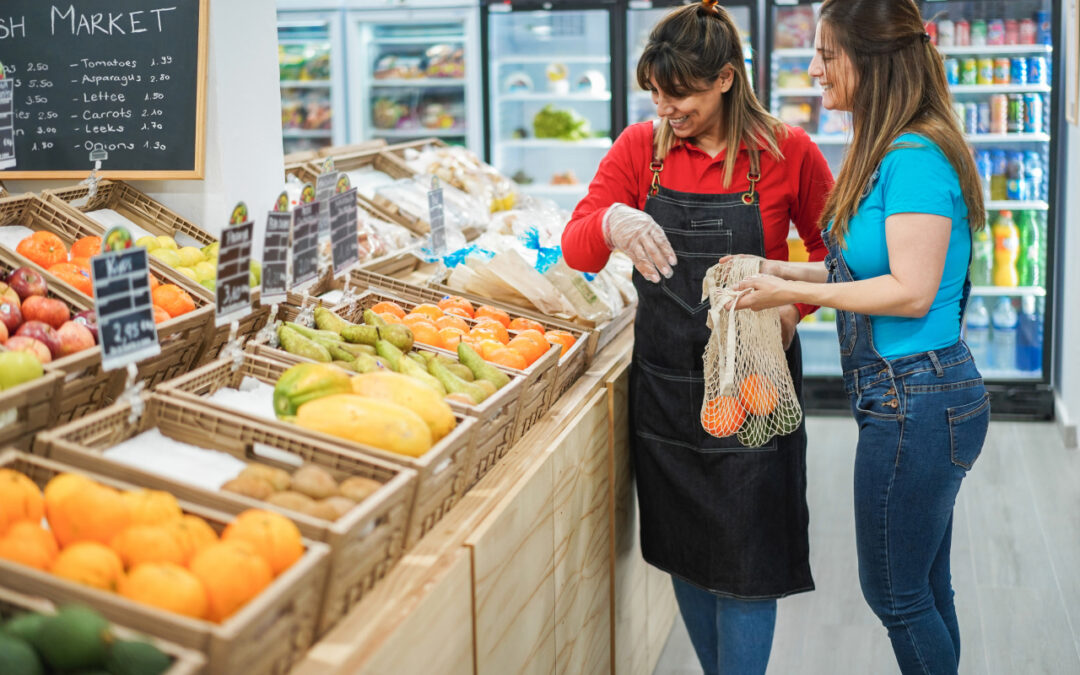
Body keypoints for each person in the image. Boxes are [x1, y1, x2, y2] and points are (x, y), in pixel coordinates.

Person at [561, 2, 833, 672]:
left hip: (754, 386)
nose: (665, 107)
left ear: (725, 80)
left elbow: (839, 255)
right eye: (655, 92)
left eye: (678, 93)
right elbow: (576, 248)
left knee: (748, 561)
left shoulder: (785, 152)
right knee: (686, 548)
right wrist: (614, 222)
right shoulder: (639, 151)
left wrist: (792, 309)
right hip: (668, 391)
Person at [729, 1, 991, 672]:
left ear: (872, 62)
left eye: (828, 54)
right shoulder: (888, 146)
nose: (814, 67)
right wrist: (779, 266)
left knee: (896, 595)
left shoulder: (917, 155)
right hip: (910, 396)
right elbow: (864, 267)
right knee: (925, 586)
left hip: (919, 399)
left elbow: (910, 290)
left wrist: (793, 292)